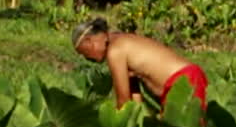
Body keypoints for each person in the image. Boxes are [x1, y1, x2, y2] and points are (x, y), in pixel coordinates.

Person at [71, 17, 208, 114]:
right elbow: (134, 98)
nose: (87, 59)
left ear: (90, 42)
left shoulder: (115, 51)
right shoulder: (119, 40)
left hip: (184, 81)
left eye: (84, 53)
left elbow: (123, 101)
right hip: (183, 80)